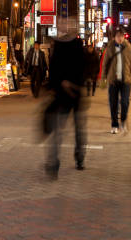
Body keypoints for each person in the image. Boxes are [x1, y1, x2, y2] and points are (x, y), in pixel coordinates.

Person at [45, 32, 86, 179]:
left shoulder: (58, 47)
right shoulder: (78, 46)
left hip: (62, 95)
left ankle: (53, 163)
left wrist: (55, 86)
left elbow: (53, 72)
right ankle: (79, 159)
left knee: (58, 130)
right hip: (76, 94)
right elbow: (83, 69)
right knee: (78, 128)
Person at [103, 28, 131, 134]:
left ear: (124, 36)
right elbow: (105, 64)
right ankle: (114, 125)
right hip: (113, 80)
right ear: (114, 37)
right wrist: (104, 78)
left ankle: (123, 121)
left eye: (121, 36)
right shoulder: (110, 47)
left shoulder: (129, 48)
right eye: (118, 36)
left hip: (125, 79)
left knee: (125, 102)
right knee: (113, 103)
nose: (120, 38)